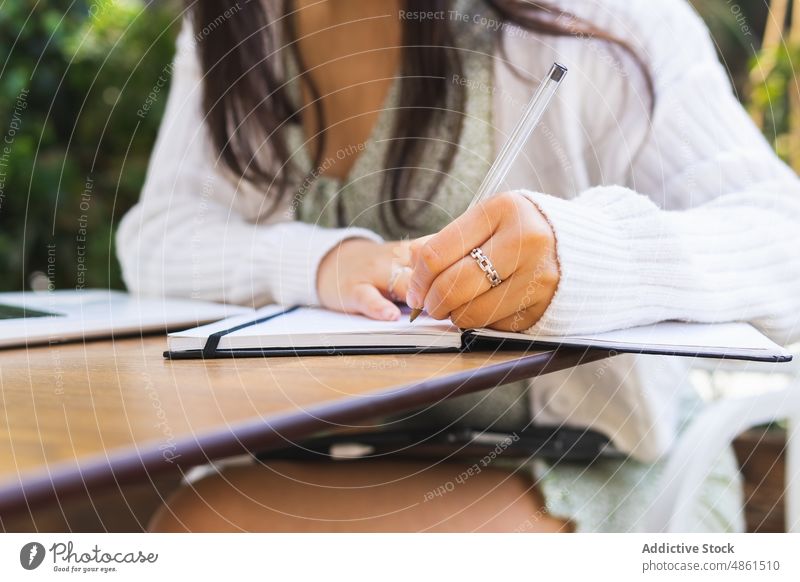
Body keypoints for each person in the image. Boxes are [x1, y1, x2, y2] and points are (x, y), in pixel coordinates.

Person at [117, 0, 800, 532]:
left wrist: (582, 257)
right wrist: (324, 262)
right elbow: (161, 237)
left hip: (604, 474)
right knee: (197, 528)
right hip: (336, 466)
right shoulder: (241, 28)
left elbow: (783, 239)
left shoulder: (596, 21)